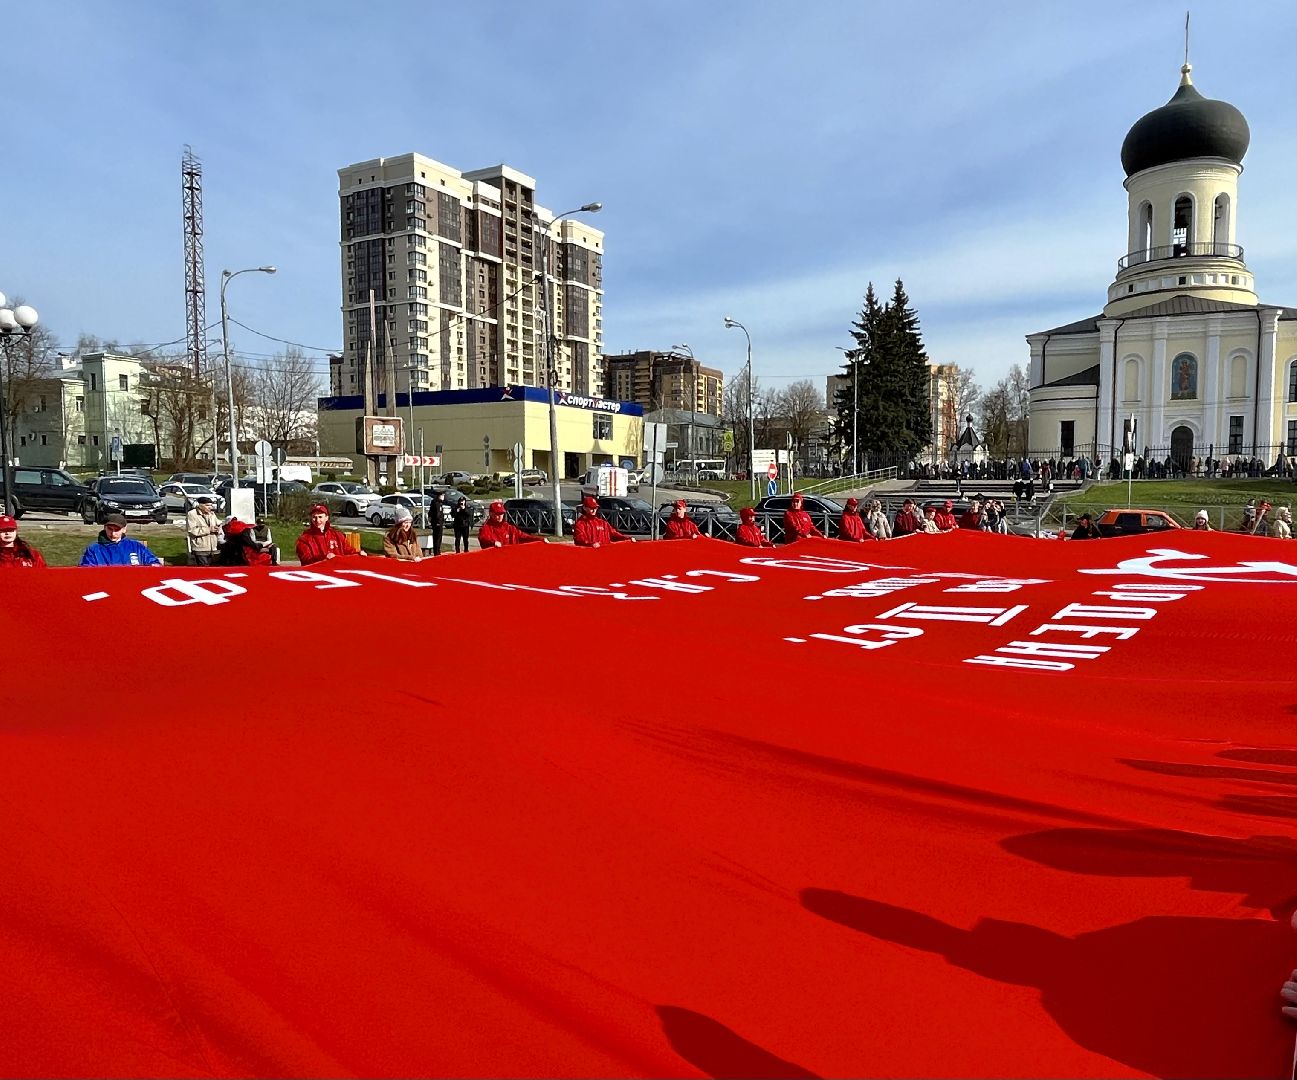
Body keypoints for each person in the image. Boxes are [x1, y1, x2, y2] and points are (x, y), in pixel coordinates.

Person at [79, 513, 162, 566]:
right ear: (105, 528)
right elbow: (86, 571)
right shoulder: (94, 549)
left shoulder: (136, 546)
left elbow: (153, 563)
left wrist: (154, 565)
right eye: (110, 529)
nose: (113, 534)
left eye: (117, 530)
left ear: (124, 529)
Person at [478, 499, 544, 547]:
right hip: (494, 560)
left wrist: (540, 539)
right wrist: (493, 543)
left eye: (501, 513)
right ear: (491, 514)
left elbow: (524, 537)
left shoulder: (509, 528)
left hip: (509, 559)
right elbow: (484, 540)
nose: (500, 516)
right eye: (497, 514)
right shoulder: (486, 529)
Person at [185, 496, 222, 566]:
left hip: (213, 547)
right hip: (200, 548)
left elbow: (218, 523)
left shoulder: (212, 514)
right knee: (204, 568)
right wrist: (209, 530)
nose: (210, 507)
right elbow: (192, 530)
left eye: (211, 505)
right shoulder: (192, 514)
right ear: (200, 505)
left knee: (212, 569)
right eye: (207, 505)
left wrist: (218, 528)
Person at [428, 490, 447, 555]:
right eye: (442, 496)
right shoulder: (437, 503)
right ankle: (437, 552)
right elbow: (437, 513)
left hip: (436, 522)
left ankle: (437, 551)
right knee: (437, 538)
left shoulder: (437, 502)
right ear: (439, 496)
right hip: (437, 523)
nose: (443, 497)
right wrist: (438, 522)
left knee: (437, 538)